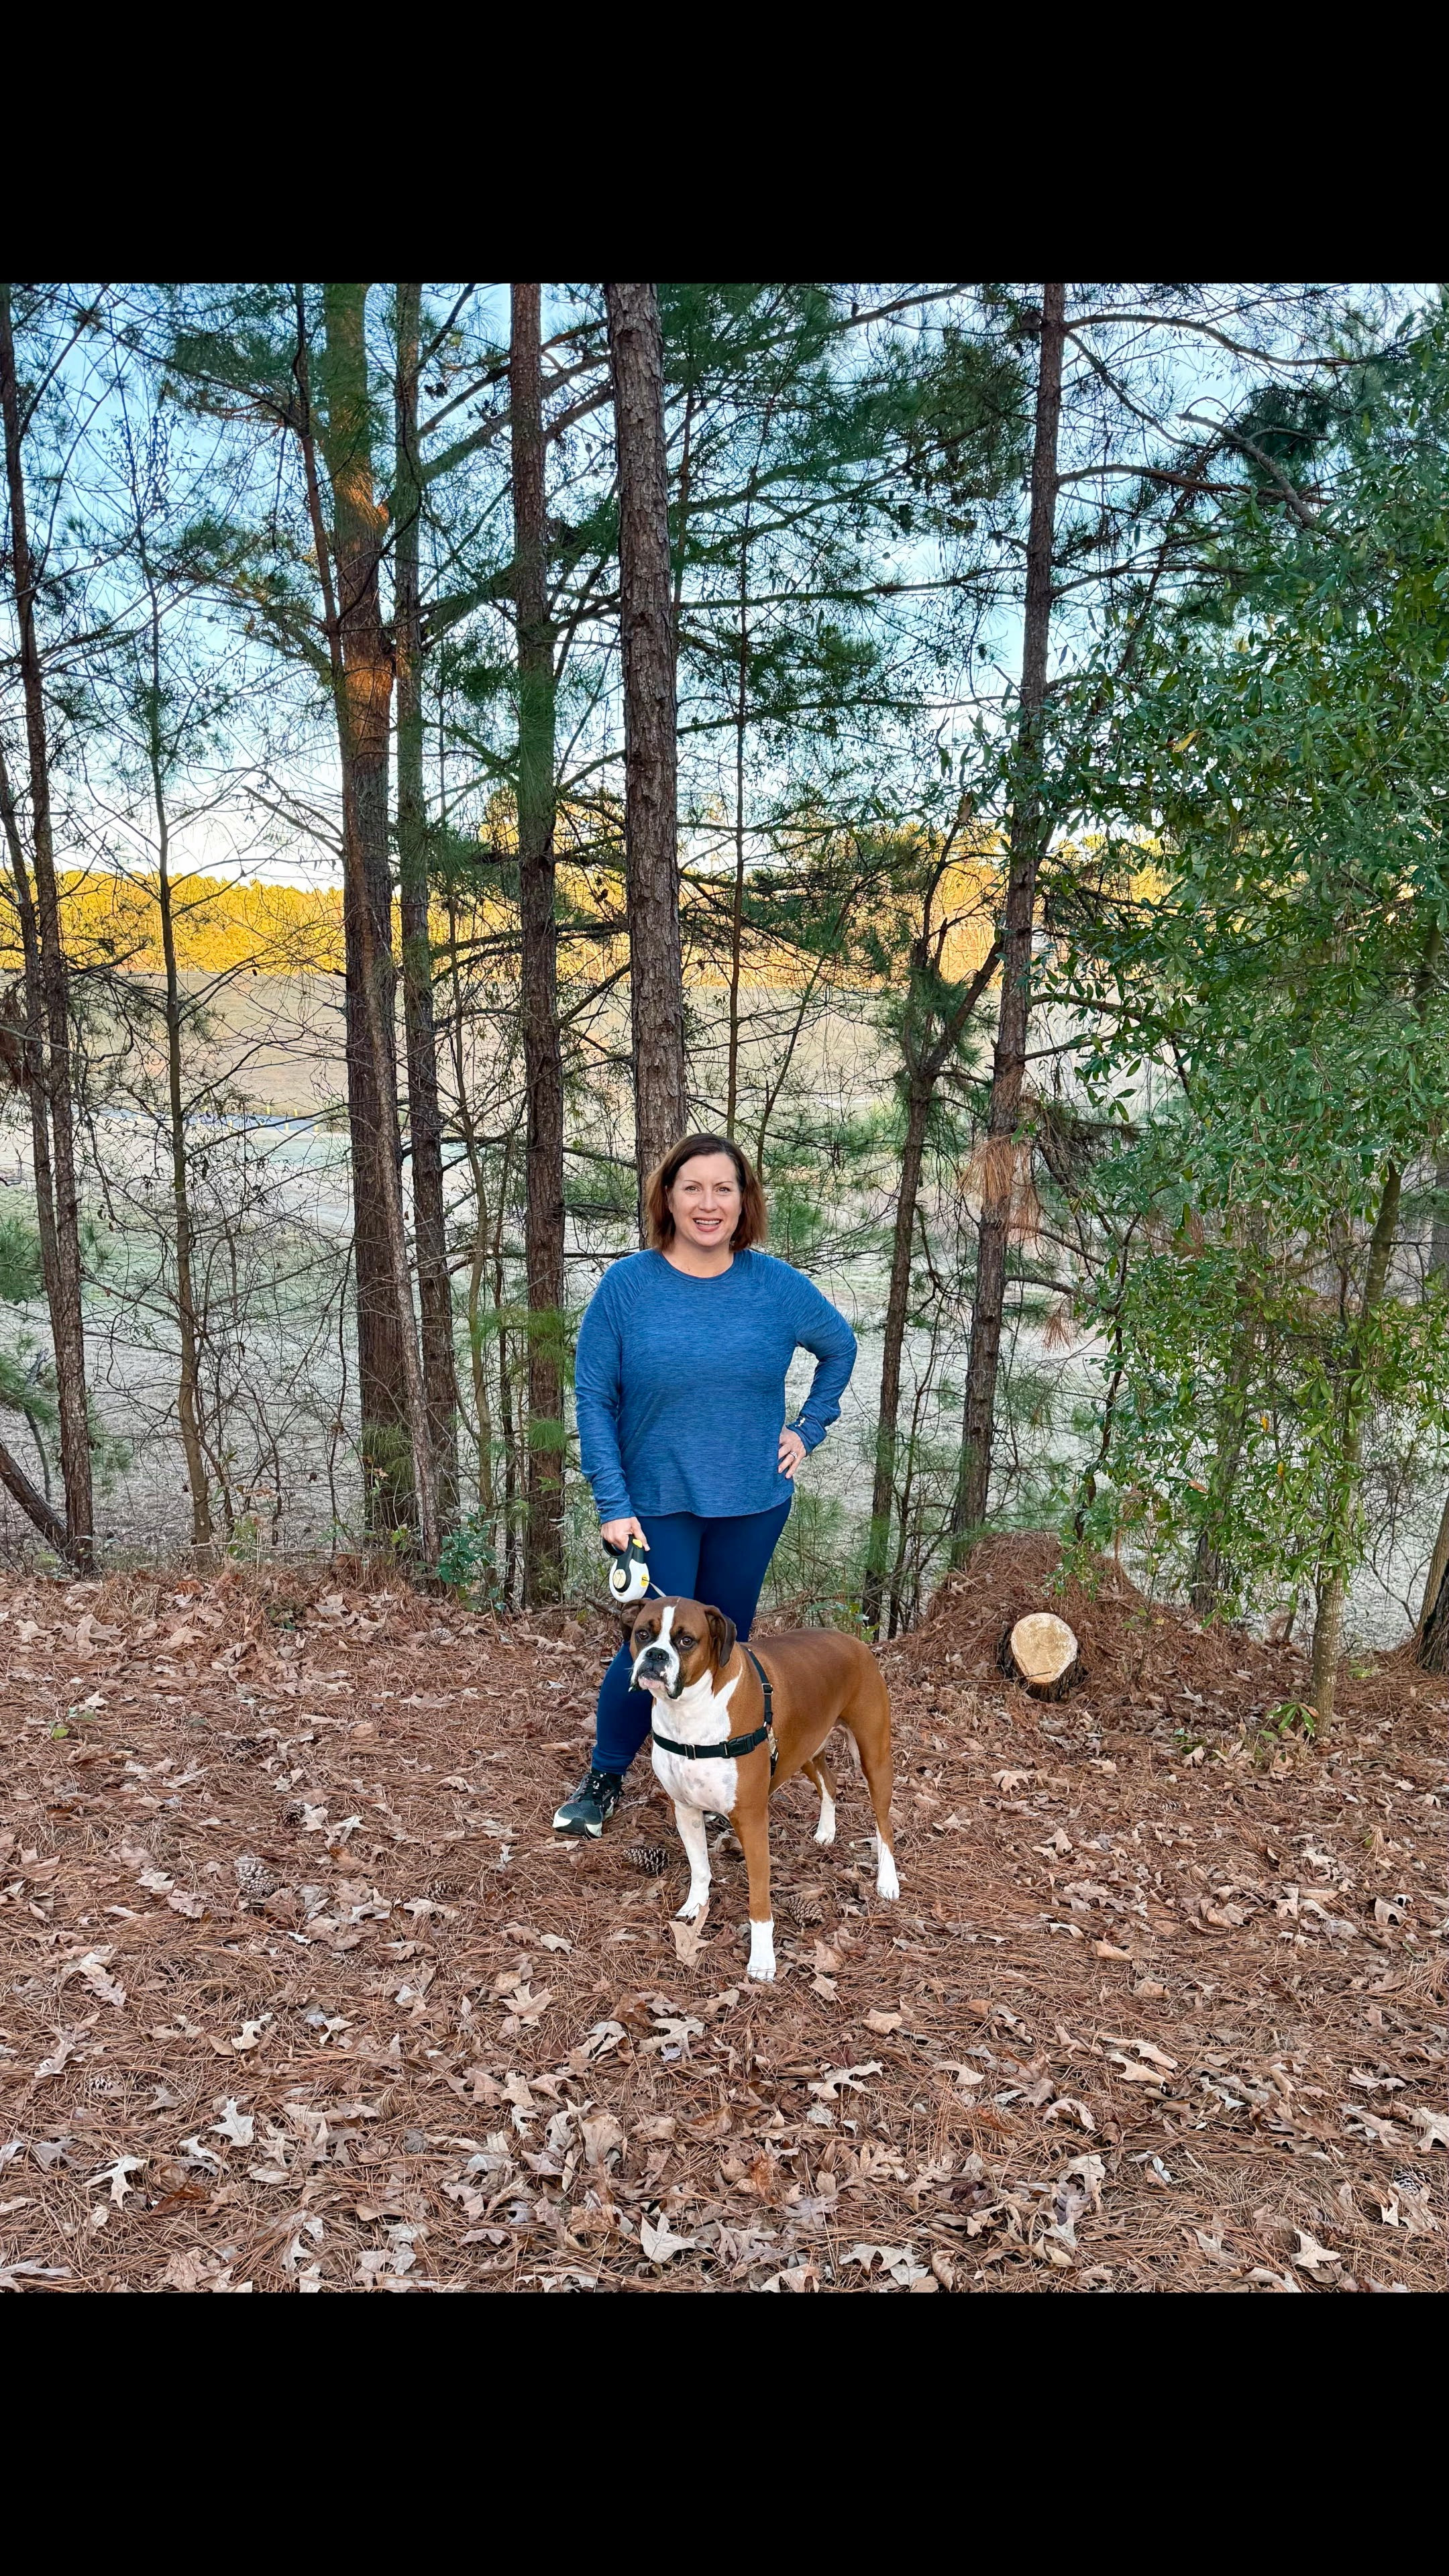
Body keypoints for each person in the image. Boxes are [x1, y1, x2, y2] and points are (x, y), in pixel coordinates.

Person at [553, 1132, 857, 1835]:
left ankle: (715, 1777)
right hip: (656, 1502)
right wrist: (613, 1503)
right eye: (693, 1187)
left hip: (753, 1502)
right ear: (667, 1197)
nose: (708, 1203)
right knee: (651, 1647)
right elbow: (594, 1399)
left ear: (744, 1200)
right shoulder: (627, 1288)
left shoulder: (775, 1286)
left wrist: (807, 1429)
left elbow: (840, 1347)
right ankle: (604, 1776)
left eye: (725, 1188)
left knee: (723, 1646)